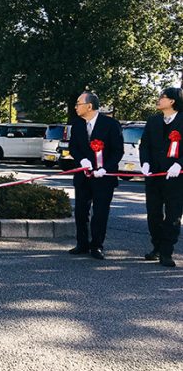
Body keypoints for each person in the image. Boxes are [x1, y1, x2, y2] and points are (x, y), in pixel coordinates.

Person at [68, 91, 124, 260]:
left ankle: (97, 245)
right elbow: (73, 148)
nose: (76, 107)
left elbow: (117, 151)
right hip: (83, 176)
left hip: (103, 177)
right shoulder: (77, 125)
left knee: (100, 213)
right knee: (80, 211)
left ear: (89, 106)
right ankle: (82, 243)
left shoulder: (111, 124)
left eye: (78, 103)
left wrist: (106, 168)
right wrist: (82, 159)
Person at [139, 87, 183, 267]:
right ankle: (156, 247)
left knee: (172, 215)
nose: (158, 100)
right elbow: (145, 145)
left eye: (162, 97)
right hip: (154, 176)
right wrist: (145, 163)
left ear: (172, 101)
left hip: (176, 177)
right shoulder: (153, 120)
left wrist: (180, 163)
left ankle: (167, 252)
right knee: (153, 214)